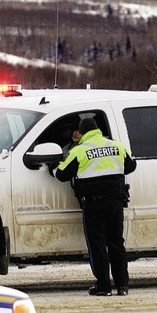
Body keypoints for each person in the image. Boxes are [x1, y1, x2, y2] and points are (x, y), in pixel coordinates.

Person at [53, 117, 137, 296]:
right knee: (116, 243)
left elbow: (61, 174)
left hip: (93, 204)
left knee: (97, 245)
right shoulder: (117, 146)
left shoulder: (80, 151)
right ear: (97, 130)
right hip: (116, 202)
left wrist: (55, 166)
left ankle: (104, 287)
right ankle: (122, 286)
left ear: (82, 133)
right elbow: (130, 166)